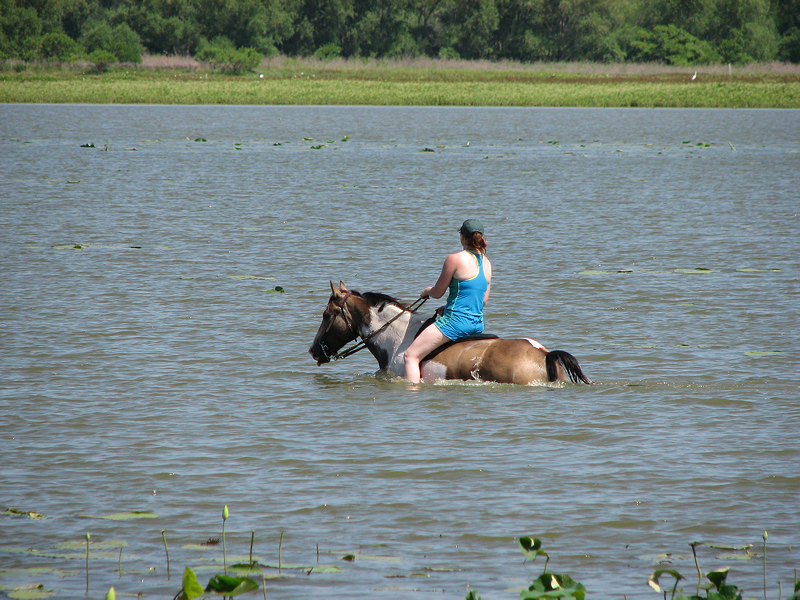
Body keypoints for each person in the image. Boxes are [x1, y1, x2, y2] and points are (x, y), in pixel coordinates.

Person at [403, 219, 492, 383]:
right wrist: (448, 306)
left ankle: (412, 398)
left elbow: (437, 293)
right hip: (478, 323)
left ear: (462, 237)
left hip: (455, 323)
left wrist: (426, 291)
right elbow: (483, 301)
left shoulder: (455, 259)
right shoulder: (487, 263)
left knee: (410, 356)